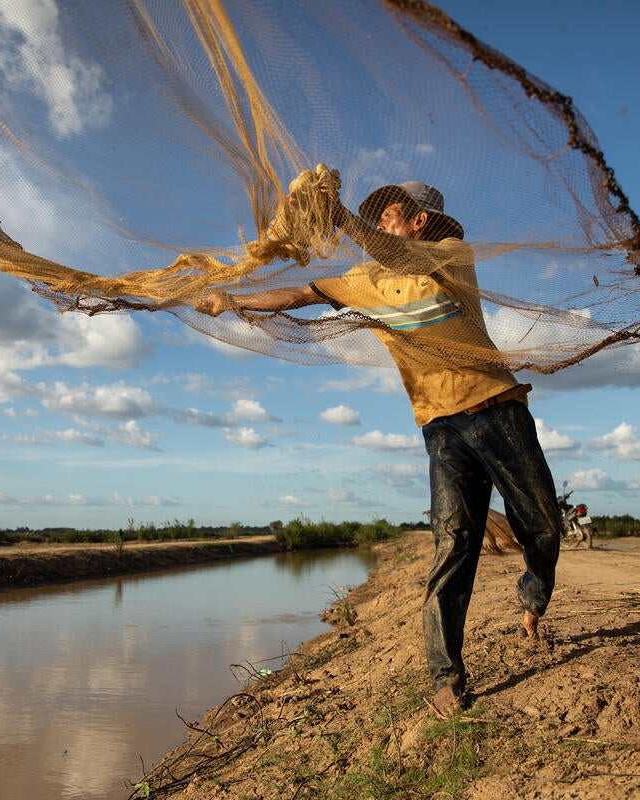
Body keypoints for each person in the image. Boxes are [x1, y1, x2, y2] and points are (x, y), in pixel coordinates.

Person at [196, 180, 562, 717]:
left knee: (543, 524)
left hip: (497, 409)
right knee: (453, 541)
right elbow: (299, 294)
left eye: (388, 216)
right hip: (440, 428)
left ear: (419, 222)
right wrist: (232, 302)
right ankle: (446, 675)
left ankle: (533, 595)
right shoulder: (364, 279)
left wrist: (339, 214)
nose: (381, 225)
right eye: (376, 218)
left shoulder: (449, 256)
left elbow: (397, 254)